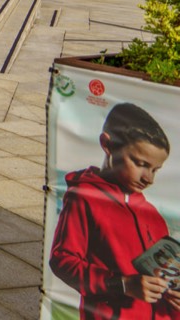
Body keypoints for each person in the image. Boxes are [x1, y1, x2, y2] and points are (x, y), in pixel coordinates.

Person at [50, 102, 180, 318]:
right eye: (140, 163)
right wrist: (122, 284)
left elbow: (165, 280)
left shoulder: (153, 216)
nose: (149, 178)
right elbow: (62, 260)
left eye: (155, 170)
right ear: (107, 144)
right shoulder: (85, 197)